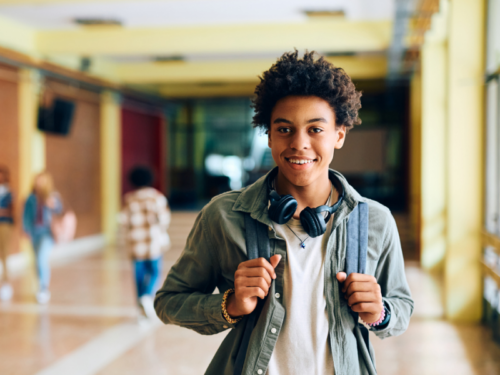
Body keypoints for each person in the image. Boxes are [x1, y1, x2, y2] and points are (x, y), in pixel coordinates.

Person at [155, 51, 414, 375]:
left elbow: (401, 308)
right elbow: (169, 301)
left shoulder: (374, 220)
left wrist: (380, 313)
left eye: (315, 129)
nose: (299, 143)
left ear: (339, 134)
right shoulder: (223, 216)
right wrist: (230, 305)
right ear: (269, 135)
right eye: (284, 129)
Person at [119, 166, 170, 320]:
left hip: (135, 242)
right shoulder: (157, 197)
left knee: (138, 275)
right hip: (153, 241)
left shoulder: (129, 199)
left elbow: (123, 220)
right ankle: (147, 296)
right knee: (154, 272)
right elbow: (164, 219)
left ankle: (140, 308)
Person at [23, 171, 62, 304]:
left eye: (41, 180)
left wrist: (53, 205)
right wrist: (25, 229)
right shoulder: (30, 198)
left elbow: (61, 211)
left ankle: (44, 288)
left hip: (47, 232)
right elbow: (26, 215)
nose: (38, 183)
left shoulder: (53, 196)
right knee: (35, 260)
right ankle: (40, 283)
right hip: (35, 232)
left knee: (41, 258)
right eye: (37, 180)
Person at [0, 165, 14, 301]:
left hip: (5, 223)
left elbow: (10, 210)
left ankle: (6, 282)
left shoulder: (9, 192)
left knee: (4, 253)